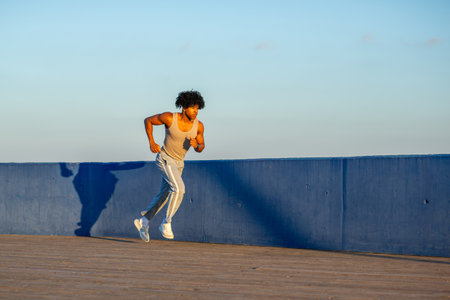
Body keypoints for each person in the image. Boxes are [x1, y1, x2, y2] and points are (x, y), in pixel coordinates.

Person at [134, 90, 205, 242]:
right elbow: (148, 121)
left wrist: (196, 145)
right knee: (179, 189)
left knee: (164, 196)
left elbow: (202, 146)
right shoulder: (169, 118)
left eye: (197, 109)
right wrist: (151, 142)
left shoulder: (198, 126)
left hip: (179, 164)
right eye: (193, 108)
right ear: (184, 107)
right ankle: (166, 223)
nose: (196, 111)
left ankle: (144, 221)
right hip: (165, 159)